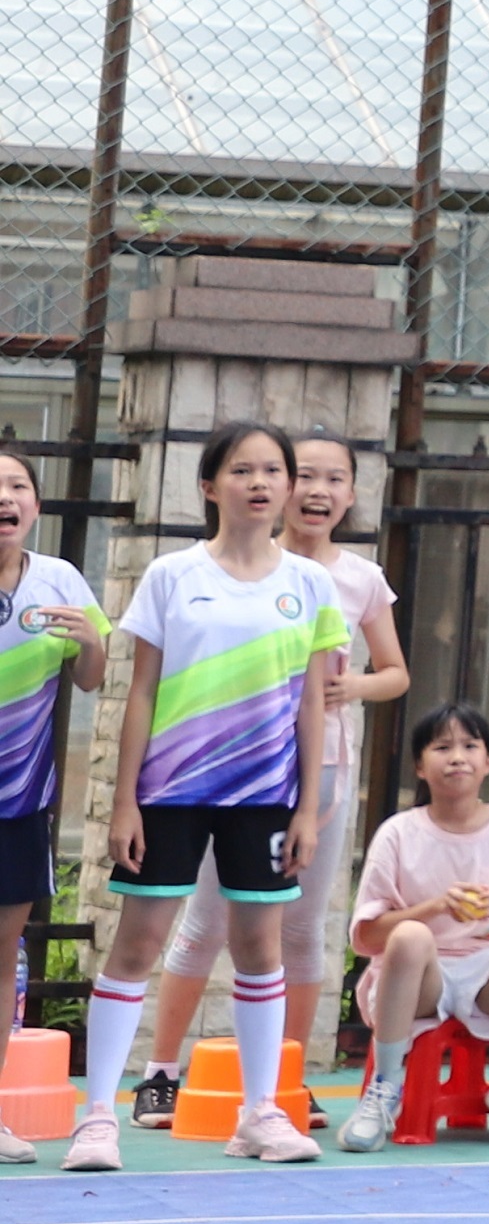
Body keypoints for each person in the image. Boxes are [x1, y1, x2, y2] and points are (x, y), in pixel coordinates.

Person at [67, 424, 346, 1171]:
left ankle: (260, 1113)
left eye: (273, 471)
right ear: (209, 485)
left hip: (266, 796)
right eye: (242, 470)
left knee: (259, 949)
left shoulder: (309, 584)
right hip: (172, 791)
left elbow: (312, 704)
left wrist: (305, 809)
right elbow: (140, 692)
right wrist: (125, 801)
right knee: (138, 946)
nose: (260, 483)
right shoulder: (171, 574)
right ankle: (98, 1118)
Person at [144, 429, 406, 1114]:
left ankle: (286, 1078)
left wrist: (352, 688)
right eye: (306, 476)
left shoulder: (358, 579)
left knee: (302, 929)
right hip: (232, 771)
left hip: (320, 775)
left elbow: (396, 673)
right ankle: (160, 1071)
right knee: (205, 921)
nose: (318, 491)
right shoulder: (233, 570)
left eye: (334, 479)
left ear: (351, 494)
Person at [329, 704, 489, 1154]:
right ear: (420, 766)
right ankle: (385, 1089)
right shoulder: (398, 833)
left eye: (470, 746)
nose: (457, 757)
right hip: (421, 979)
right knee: (410, 935)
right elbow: (367, 936)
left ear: (488, 762)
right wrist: (434, 908)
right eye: (442, 747)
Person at [0, 445, 110, 1163]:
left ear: (35, 505)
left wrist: (90, 639)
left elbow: (92, 677)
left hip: (19, 804)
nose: (4, 497)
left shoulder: (60, 579)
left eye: (17, 486)